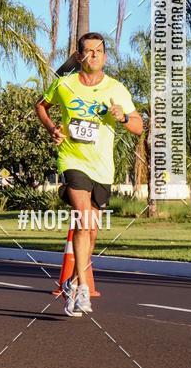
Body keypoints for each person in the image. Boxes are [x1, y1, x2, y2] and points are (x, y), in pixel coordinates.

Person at [35, 32, 142, 317]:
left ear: (104, 56)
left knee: (91, 230)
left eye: (98, 51)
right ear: (79, 56)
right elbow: (41, 106)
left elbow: (138, 126)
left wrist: (121, 118)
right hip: (72, 159)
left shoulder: (117, 89)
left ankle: (71, 281)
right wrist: (52, 129)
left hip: (102, 167)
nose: (93, 55)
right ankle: (82, 288)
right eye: (88, 51)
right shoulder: (65, 85)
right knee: (83, 219)